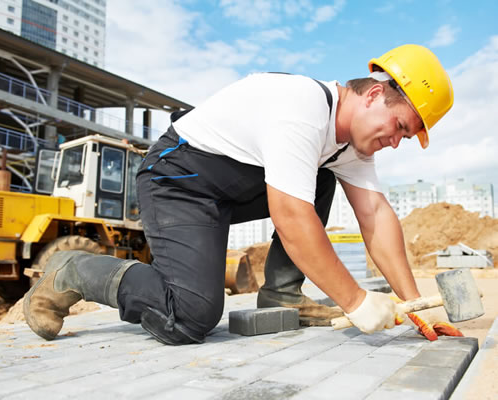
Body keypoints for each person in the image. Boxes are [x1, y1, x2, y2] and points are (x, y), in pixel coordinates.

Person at [24, 44, 454, 345]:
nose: (396, 143)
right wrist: (356, 301)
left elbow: (375, 214)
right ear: (376, 94)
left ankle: (283, 294)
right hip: (176, 180)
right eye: (400, 127)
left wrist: (414, 304)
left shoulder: (349, 147)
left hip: (229, 190)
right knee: (189, 317)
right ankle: (73, 270)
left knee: (321, 176)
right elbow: (289, 215)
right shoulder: (301, 106)